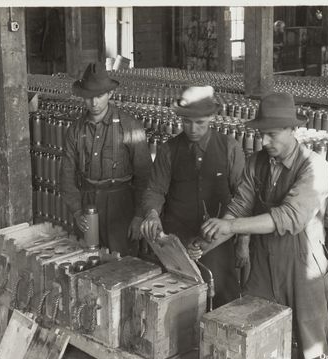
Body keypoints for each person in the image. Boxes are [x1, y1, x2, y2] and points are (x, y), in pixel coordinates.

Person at [197, 92, 328, 359]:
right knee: (258, 337)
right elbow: (240, 205)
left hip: (302, 267)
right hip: (262, 264)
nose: (264, 142)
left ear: (291, 130)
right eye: (261, 135)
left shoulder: (314, 168)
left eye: (271, 134)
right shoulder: (257, 162)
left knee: (313, 352)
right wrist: (199, 248)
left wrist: (231, 225)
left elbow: (289, 217)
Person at [140, 86, 246, 308]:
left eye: (200, 122)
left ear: (210, 117)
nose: (193, 128)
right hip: (179, 243)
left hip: (218, 243)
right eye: (187, 122)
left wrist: (243, 243)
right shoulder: (169, 150)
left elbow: (243, 199)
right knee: (181, 303)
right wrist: (152, 213)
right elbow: (156, 189)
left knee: (221, 302)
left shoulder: (229, 148)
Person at [60, 62, 152, 256]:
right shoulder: (75, 130)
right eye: (88, 97)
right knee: (89, 260)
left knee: (121, 264)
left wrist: (138, 215)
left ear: (110, 94)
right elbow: (67, 176)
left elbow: (144, 176)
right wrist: (77, 211)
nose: (93, 103)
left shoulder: (130, 126)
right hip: (88, 203)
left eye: (99, 96)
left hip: (121, 204)